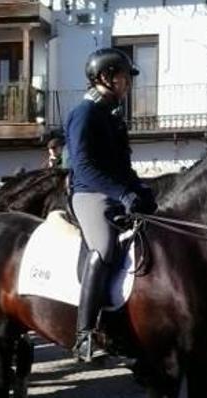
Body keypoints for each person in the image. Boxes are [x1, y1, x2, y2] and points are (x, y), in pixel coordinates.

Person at [66, 47, 157, 362]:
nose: (128, 84)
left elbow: (123, 168)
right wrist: (122, 193)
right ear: (106, 77)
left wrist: (140, 189)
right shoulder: (85, 114)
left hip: (115, 191)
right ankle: (84, 334)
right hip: (89, 193)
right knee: (104, 248)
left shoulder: (113, 117)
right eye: (124, 77)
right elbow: (85, 166)